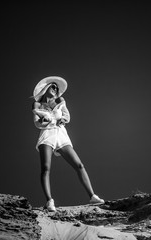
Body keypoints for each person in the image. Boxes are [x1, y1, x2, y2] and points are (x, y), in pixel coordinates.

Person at [32, 76, 104, 212]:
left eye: (56, 88)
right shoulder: (38, 105)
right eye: (53, 86)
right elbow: (37, 123)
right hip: (47, 133)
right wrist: (47, 120)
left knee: (79, 165)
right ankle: (49, 201)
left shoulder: (60, 101)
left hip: (61, 134)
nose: (55, 89)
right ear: (46, 88)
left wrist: (62, 120)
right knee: (46, 167)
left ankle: (92, 196)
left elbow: (67, 117)